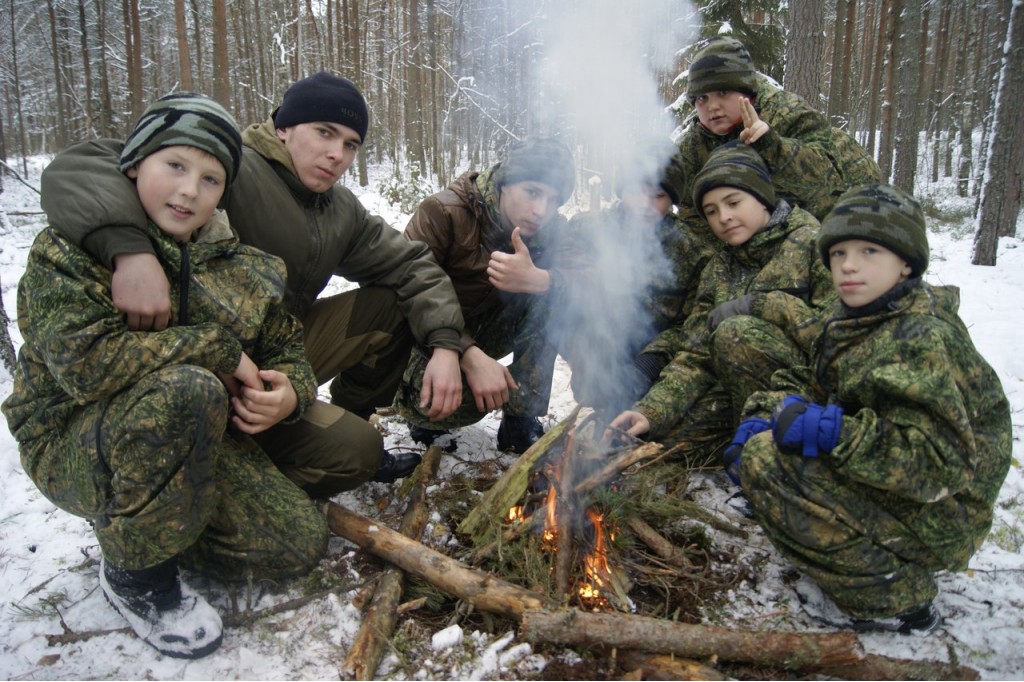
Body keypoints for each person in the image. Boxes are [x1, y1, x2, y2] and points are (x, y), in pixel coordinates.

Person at [2, 94, 332, 658]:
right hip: (69, 436)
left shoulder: (245, 266)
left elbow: (286, 349)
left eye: (210, 178)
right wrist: (217, 348)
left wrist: (292, 395)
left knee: (296, 546)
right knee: (190, 388)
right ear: (135, 164)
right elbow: (86, 366)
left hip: (186, 431)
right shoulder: (70, 248)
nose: (188, 191)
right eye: (174, 166)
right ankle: (137, 575)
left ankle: (166, 513)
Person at [38, 71, 466, 495]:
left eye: (350, 144)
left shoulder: (341, 210)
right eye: (324, 132)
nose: (337, 153)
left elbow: (411, 264)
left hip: (274, 355)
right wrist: (131, 251)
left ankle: (340, 423)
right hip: (182, 361)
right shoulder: (229, 165)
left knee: (388, 308)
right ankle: (165, 486)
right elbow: (85, 166)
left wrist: (448, 345)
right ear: (283, 128)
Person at [728, 183, 1012, 633]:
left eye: (869, 251)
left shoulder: (920, 336)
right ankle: (871, 564)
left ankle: (900, 599)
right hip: (913, 496)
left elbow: (939, 466)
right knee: (763, 449)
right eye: (838, 253)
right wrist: (761, 414)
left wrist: (831, 432)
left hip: (947, 514)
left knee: (770, 463)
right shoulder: (854, 317)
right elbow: (811, 379)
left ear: (905, 264)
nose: (849, 266)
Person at [609, 141, 835, 466]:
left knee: (736, 334)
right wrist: (651, 411)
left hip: (810, 400)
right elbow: (696, 351)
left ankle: (773, 458)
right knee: (653, 445)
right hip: (735, 394)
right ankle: (739, 440)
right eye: (712, 211)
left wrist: (765, 307)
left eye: (733, 202)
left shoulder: (815, 245)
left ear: (762, 197)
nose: (724, 218)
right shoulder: (720, 266)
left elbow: (841, 342)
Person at [395, 137, 576, 453]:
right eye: (532, 192)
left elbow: (587, 278)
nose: (541, 211)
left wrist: (540, 279)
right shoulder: (444, 213)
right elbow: (401, 291)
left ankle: (521, 417)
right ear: (505, 184)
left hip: (486, 332)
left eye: (553, 199)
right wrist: (465, 352)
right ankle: (420, 415)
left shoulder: (552, 229)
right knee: (449, 408)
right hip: (427, 344)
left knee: (553, 298)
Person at [557, 163, 717, 418]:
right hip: (596, 341)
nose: (645, 204)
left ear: (672, 200)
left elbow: (691, 325)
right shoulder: (585, 228)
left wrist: (649, 363)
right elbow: (556, 291)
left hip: (657, 357)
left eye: (658, 196)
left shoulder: (692, 252)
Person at [666, 35, 879, 222]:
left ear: (747, 93)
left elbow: (826, 180)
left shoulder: (788, 114)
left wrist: (772, 146)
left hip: (853, 209)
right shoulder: (693, 147)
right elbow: (692, 215)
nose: (712, 107)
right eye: (702, 98)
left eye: (723, 92)